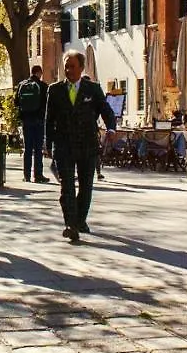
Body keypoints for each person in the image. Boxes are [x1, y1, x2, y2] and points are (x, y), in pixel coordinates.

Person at [46, 50, 117, 243]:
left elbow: (106, 111)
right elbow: (49, 120)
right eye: (66, 66)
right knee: (66, 187)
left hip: (87, 145)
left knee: (86, 187)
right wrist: (48, 143)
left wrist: (111, 128)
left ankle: (80, 220)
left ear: (81, 68)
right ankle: (71, 224)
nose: (68, 70)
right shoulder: (54, 89)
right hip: (63, 146)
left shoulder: (92, 89)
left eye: (72, 66)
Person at [16, 65, 51, 183]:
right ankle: (38, 175)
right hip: (39, 121)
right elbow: (47, 104)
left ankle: (26, 175)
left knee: (28, 148)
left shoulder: (22, 85)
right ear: (39, 73)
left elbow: (16, 102)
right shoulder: (43, 86)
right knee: (38, 149)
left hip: (26, 120)